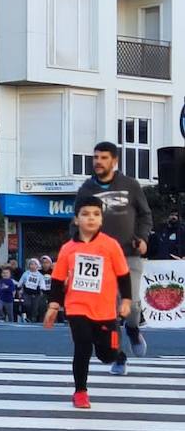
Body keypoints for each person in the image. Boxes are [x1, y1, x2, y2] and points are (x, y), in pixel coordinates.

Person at [44, 197, 132, 409]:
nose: (90, 218)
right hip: (77, 306)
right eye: (85, 214)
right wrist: (54, 306)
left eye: (95, 214)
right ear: (76, 219)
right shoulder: (68, 249)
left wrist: (127, 300)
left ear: (101, 219)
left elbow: (123, 275)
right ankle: (80, 392)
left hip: (105, 309)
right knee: (82, 346)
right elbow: (57, 279)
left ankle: (118, 353)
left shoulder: (110, 245)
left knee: (106, 355)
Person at [74, 141, 152, 372]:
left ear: (114, 161)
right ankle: (119, 356)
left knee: (132, 304)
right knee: (104, 313)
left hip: (129, 253)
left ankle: (133, 329)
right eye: (96, 157)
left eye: (104, 157)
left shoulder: (130, 185)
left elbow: (145, 215)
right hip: (97, 258)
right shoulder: (86, 188)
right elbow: (75, 221)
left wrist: (143, 238)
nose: (98, 161)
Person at [17, 257, 48, 324]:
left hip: (36, 293)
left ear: (37, 266)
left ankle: (33, 318)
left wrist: (42, 290)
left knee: (35, 306)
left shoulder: (40, 275)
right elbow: (21, 281)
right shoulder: (26, 273)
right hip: (27, 292)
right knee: (27, 304)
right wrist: (19, 288)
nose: (33, 266)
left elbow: (42, 284)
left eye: (35, 264)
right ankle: (28, 316)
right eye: (31, 264)